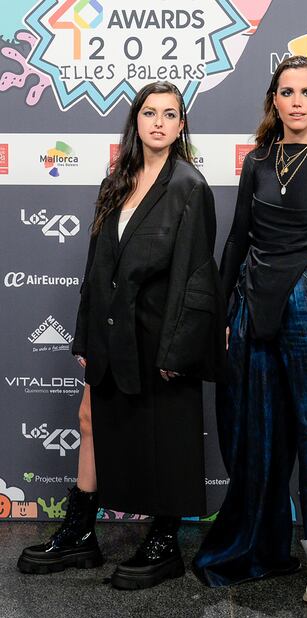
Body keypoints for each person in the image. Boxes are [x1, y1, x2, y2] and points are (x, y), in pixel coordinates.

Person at [17, 81, 226, 590]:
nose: (158, 122)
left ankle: (164, 541)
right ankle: (80, 534)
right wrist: (86, 339)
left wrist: (178, 347)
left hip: (161, 334)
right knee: (90, 419)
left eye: (169, 114)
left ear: (181, 125)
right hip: (111, 332)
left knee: (169, 433)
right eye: (149, 112)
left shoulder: (188, 186)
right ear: (136, 121)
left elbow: (196, 274)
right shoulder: (116, 180)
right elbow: (96, 268)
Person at [193, 56, 307, 607]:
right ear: (275, 99)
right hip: (251, 299)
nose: (296, 101)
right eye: (286, 91)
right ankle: (262, 547)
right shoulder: (257, 162)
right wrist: (222, 316)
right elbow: (236, 240)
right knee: (256, 428)